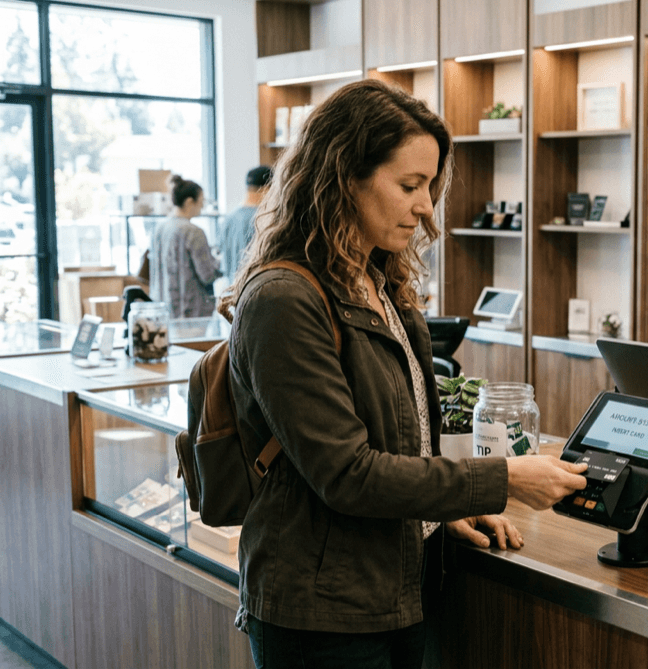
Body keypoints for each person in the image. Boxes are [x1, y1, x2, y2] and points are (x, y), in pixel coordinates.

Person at [218, 79, 588, 668]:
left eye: (430, 186)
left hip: (396, 591)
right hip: (323, 615)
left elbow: (404, 441)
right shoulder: (285, 299)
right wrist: (502, 478)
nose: (426, 207)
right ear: (344, 178)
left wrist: (441, 509)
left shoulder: (380, 283)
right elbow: (348, 473)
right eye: (410, 185)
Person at [147, 174, 222, 318]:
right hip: (191, 309)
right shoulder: (194, 232)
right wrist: (219, 262)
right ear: (189, 202)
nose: (202, 206)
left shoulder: (159, 228)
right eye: (201, 201)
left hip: (162, 308)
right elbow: (207, 275)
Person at [219, 165, 272, 278]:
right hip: (252, 289)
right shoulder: (264, 219)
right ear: (267, 189)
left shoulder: (228, 219)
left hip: (230, 291)